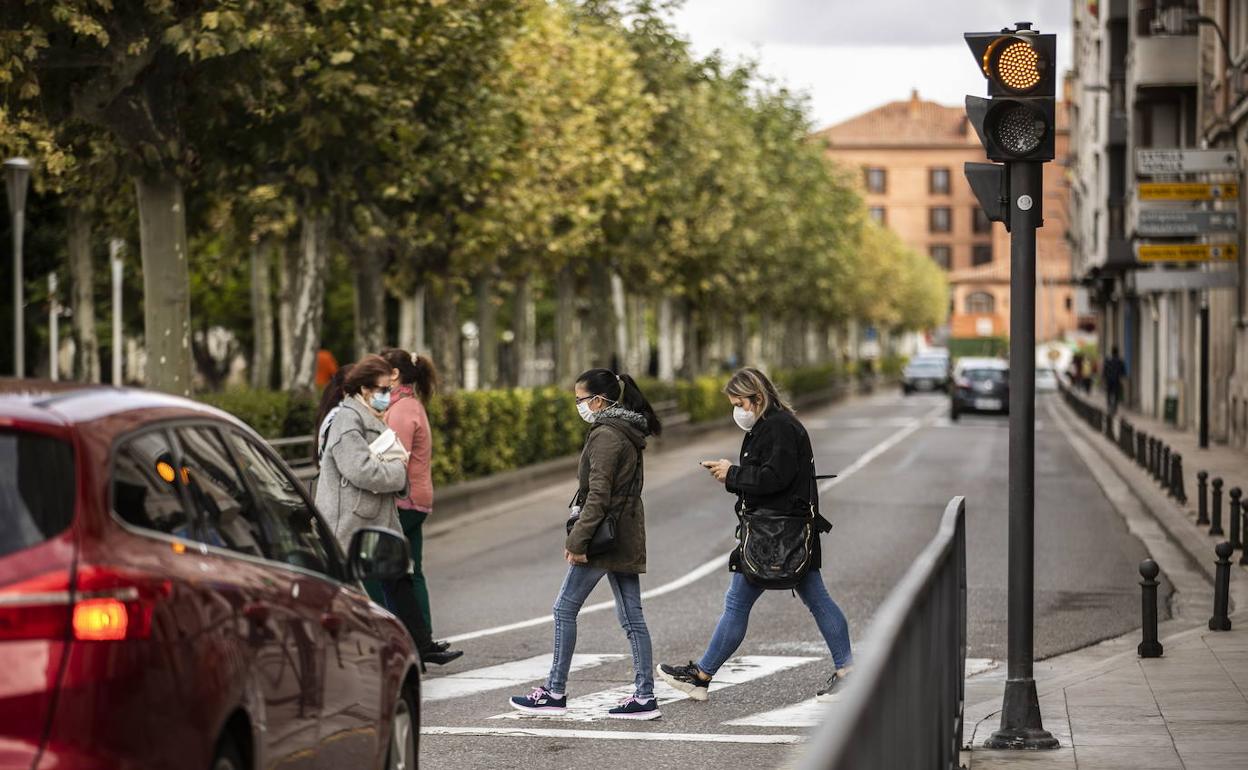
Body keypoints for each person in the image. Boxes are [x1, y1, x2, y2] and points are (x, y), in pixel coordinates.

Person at [658, 367, 853, 702]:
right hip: (785, 533)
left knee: (742, 603)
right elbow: (771, 474)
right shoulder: (775, 424)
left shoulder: (778, 427)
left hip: (774, 535)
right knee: (815, 599)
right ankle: (847, 673)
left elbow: (774, 478)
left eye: (739, 403)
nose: (737, 410)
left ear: (757, 398)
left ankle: (701, 677)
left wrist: (732, 474)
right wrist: (732, 472)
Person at [509, 369, 663, 720]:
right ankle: (644, 696)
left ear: (599, 400)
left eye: (580, 399)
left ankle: (555, 690)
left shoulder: (607, 434)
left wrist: (578, 539)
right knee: (631, 615)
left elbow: (598, 495)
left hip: (602, 537)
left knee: (565, 609)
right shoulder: (626, 429)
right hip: (623, 532)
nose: (578, 405)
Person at [314, 354, 460, 667]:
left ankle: (418, 647)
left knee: (399, 578)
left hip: (375, 517)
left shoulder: (369, 417)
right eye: (380, 389)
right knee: (359, 591)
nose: (385, 395)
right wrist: (398, 474)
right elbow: (361, 470)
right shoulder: (346, 422)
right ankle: (382, 651)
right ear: (362, 389)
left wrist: (395, 472)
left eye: (386, 389)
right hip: (351, 521)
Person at [380, 347, 460, 661]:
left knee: (378, 569)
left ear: (395, 374)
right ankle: (422, 637)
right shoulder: (410, 404)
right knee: (413, 570)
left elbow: (391, 459)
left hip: (404, 499)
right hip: (417, 498)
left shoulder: (400, 409)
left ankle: (396, 636)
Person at [1104, 346, 1126, 416]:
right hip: (1116, 380)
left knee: (1109, 394)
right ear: (1117, 353)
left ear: (1112, 352)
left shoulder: (1108, 360)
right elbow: (1123, 372)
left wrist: (1105, 377)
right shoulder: (1120, 361)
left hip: (1109, 380)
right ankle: (1114, 408)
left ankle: (1109, 406)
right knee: (1116, 395)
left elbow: (1105, 370)